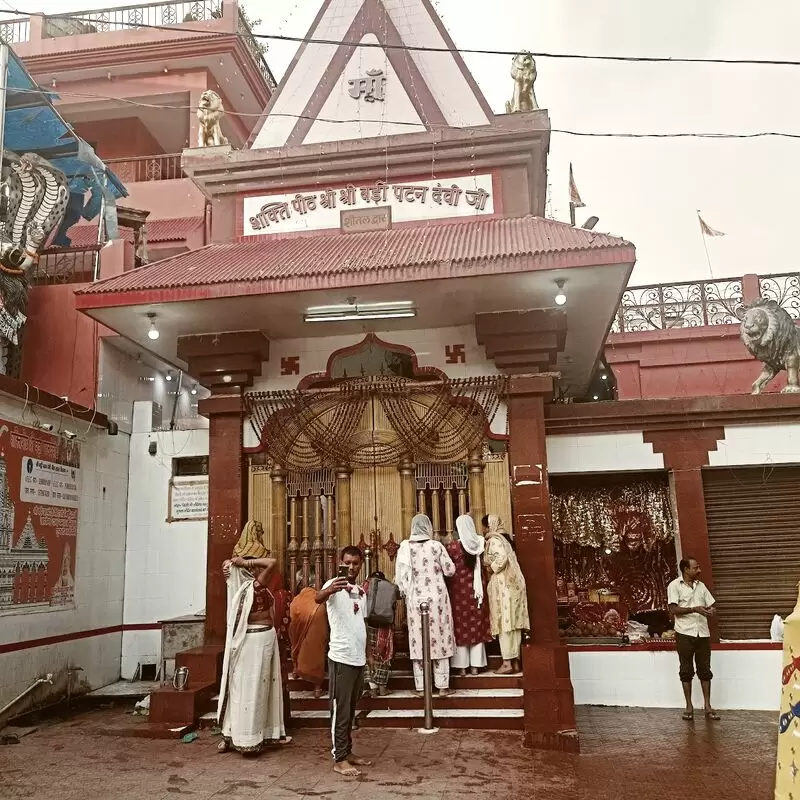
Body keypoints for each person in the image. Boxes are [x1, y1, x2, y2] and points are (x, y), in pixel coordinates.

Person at [217, 520, 292, 755]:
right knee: (244, 688)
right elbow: (271, 562)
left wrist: (242, 562)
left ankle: (264, 734)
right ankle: (236, 735)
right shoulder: (249, 587)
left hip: (264, 640)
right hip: (250, 641)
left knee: (262, 688)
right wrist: (242, 562)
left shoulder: (256, 586)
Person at [315, 546, 373, 777]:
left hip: (358, 658)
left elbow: (363, 623)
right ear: (340, 562)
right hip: (341, 658)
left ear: (360, 565)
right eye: (347, 563)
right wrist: (329, 589)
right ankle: (339, 758)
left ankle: (347, 751)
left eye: (355, 563)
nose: (351, 567)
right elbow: (317, 599)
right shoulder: (333, 587)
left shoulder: (360, 591)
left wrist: (368, 654)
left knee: (350, 710)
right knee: (340, 710)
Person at [395, 514, 456, 696]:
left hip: (416, 600)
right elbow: (450, 570)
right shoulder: (436, 546)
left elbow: (401, 578)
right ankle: (443, 686)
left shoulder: (405, 548)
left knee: (418, 640)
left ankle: (421, 688)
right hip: (437, 599)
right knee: (440, 637)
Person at [667, 557, 719, 722]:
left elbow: (712, 605)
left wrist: (711, 611)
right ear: (685, 569)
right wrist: (694, 609)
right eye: (695, 568)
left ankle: (708, 706)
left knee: (705, 670)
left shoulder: (701, 586)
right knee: (686, 670)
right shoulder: (674, 586)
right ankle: (689, 707)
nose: (699, 570)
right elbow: (673, 609)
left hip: (702, 633)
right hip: (684, 633)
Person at [482, 514, 529, 675]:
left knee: (504, 624)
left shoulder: (494, 540)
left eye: (484, 527)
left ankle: (507, 662)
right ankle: (515, 663)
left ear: (489, 526)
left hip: (504, 586)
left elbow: (500, 559)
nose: (483, 530)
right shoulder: (506, 539)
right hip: (513, 585)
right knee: (514, 624)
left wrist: (490, 568)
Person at [446, 514, 492, 676]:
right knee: (477, 626)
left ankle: (462, 667)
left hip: (458, 594)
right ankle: (476, 666)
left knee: (460, 627)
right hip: (477, 592)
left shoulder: (452, 548)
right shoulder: (480, 544)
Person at [288, 585, 329, 699]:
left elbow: (292, 621)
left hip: (301, 634)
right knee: (317, 655)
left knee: (298, 648)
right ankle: (317, 688)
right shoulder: (319, 604)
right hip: (318, 636)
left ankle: (296, 670)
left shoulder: (296, 601)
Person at [362, 571, 396, 697]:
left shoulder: (365, 586)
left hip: (369, 624)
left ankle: (372, 689)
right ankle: (382, 688)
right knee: (383, 655)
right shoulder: (389, 589)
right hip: (384, 627)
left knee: (370, 654)